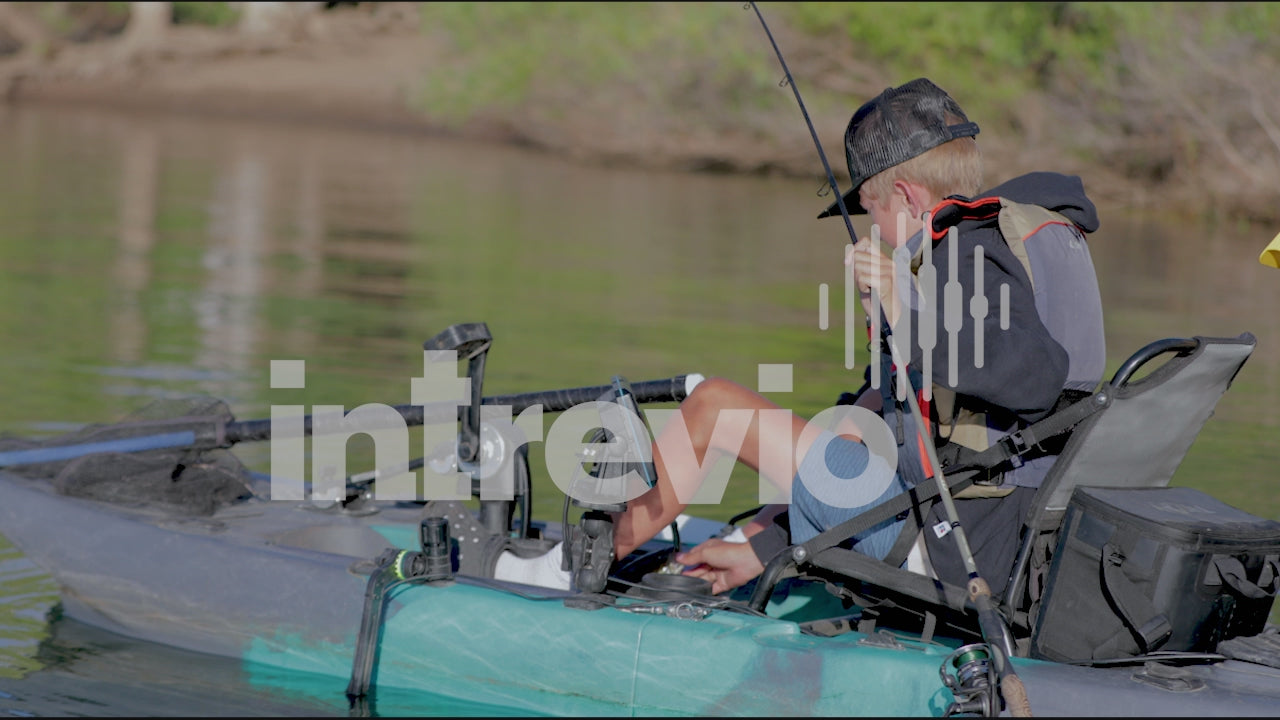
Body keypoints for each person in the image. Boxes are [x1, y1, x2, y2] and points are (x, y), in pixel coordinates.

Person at [441, 77, 1105, 598]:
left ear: (903, 195)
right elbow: (863, 429)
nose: (870, 231)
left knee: (712, 406)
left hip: (957, 548)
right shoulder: (1020, 239)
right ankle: (699, 545)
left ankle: (559, 575)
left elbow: (1036, 375)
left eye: (869, 211)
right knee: (849, 417)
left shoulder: (963, 250)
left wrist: (904, 306)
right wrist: (761, 546)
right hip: (984, 534)